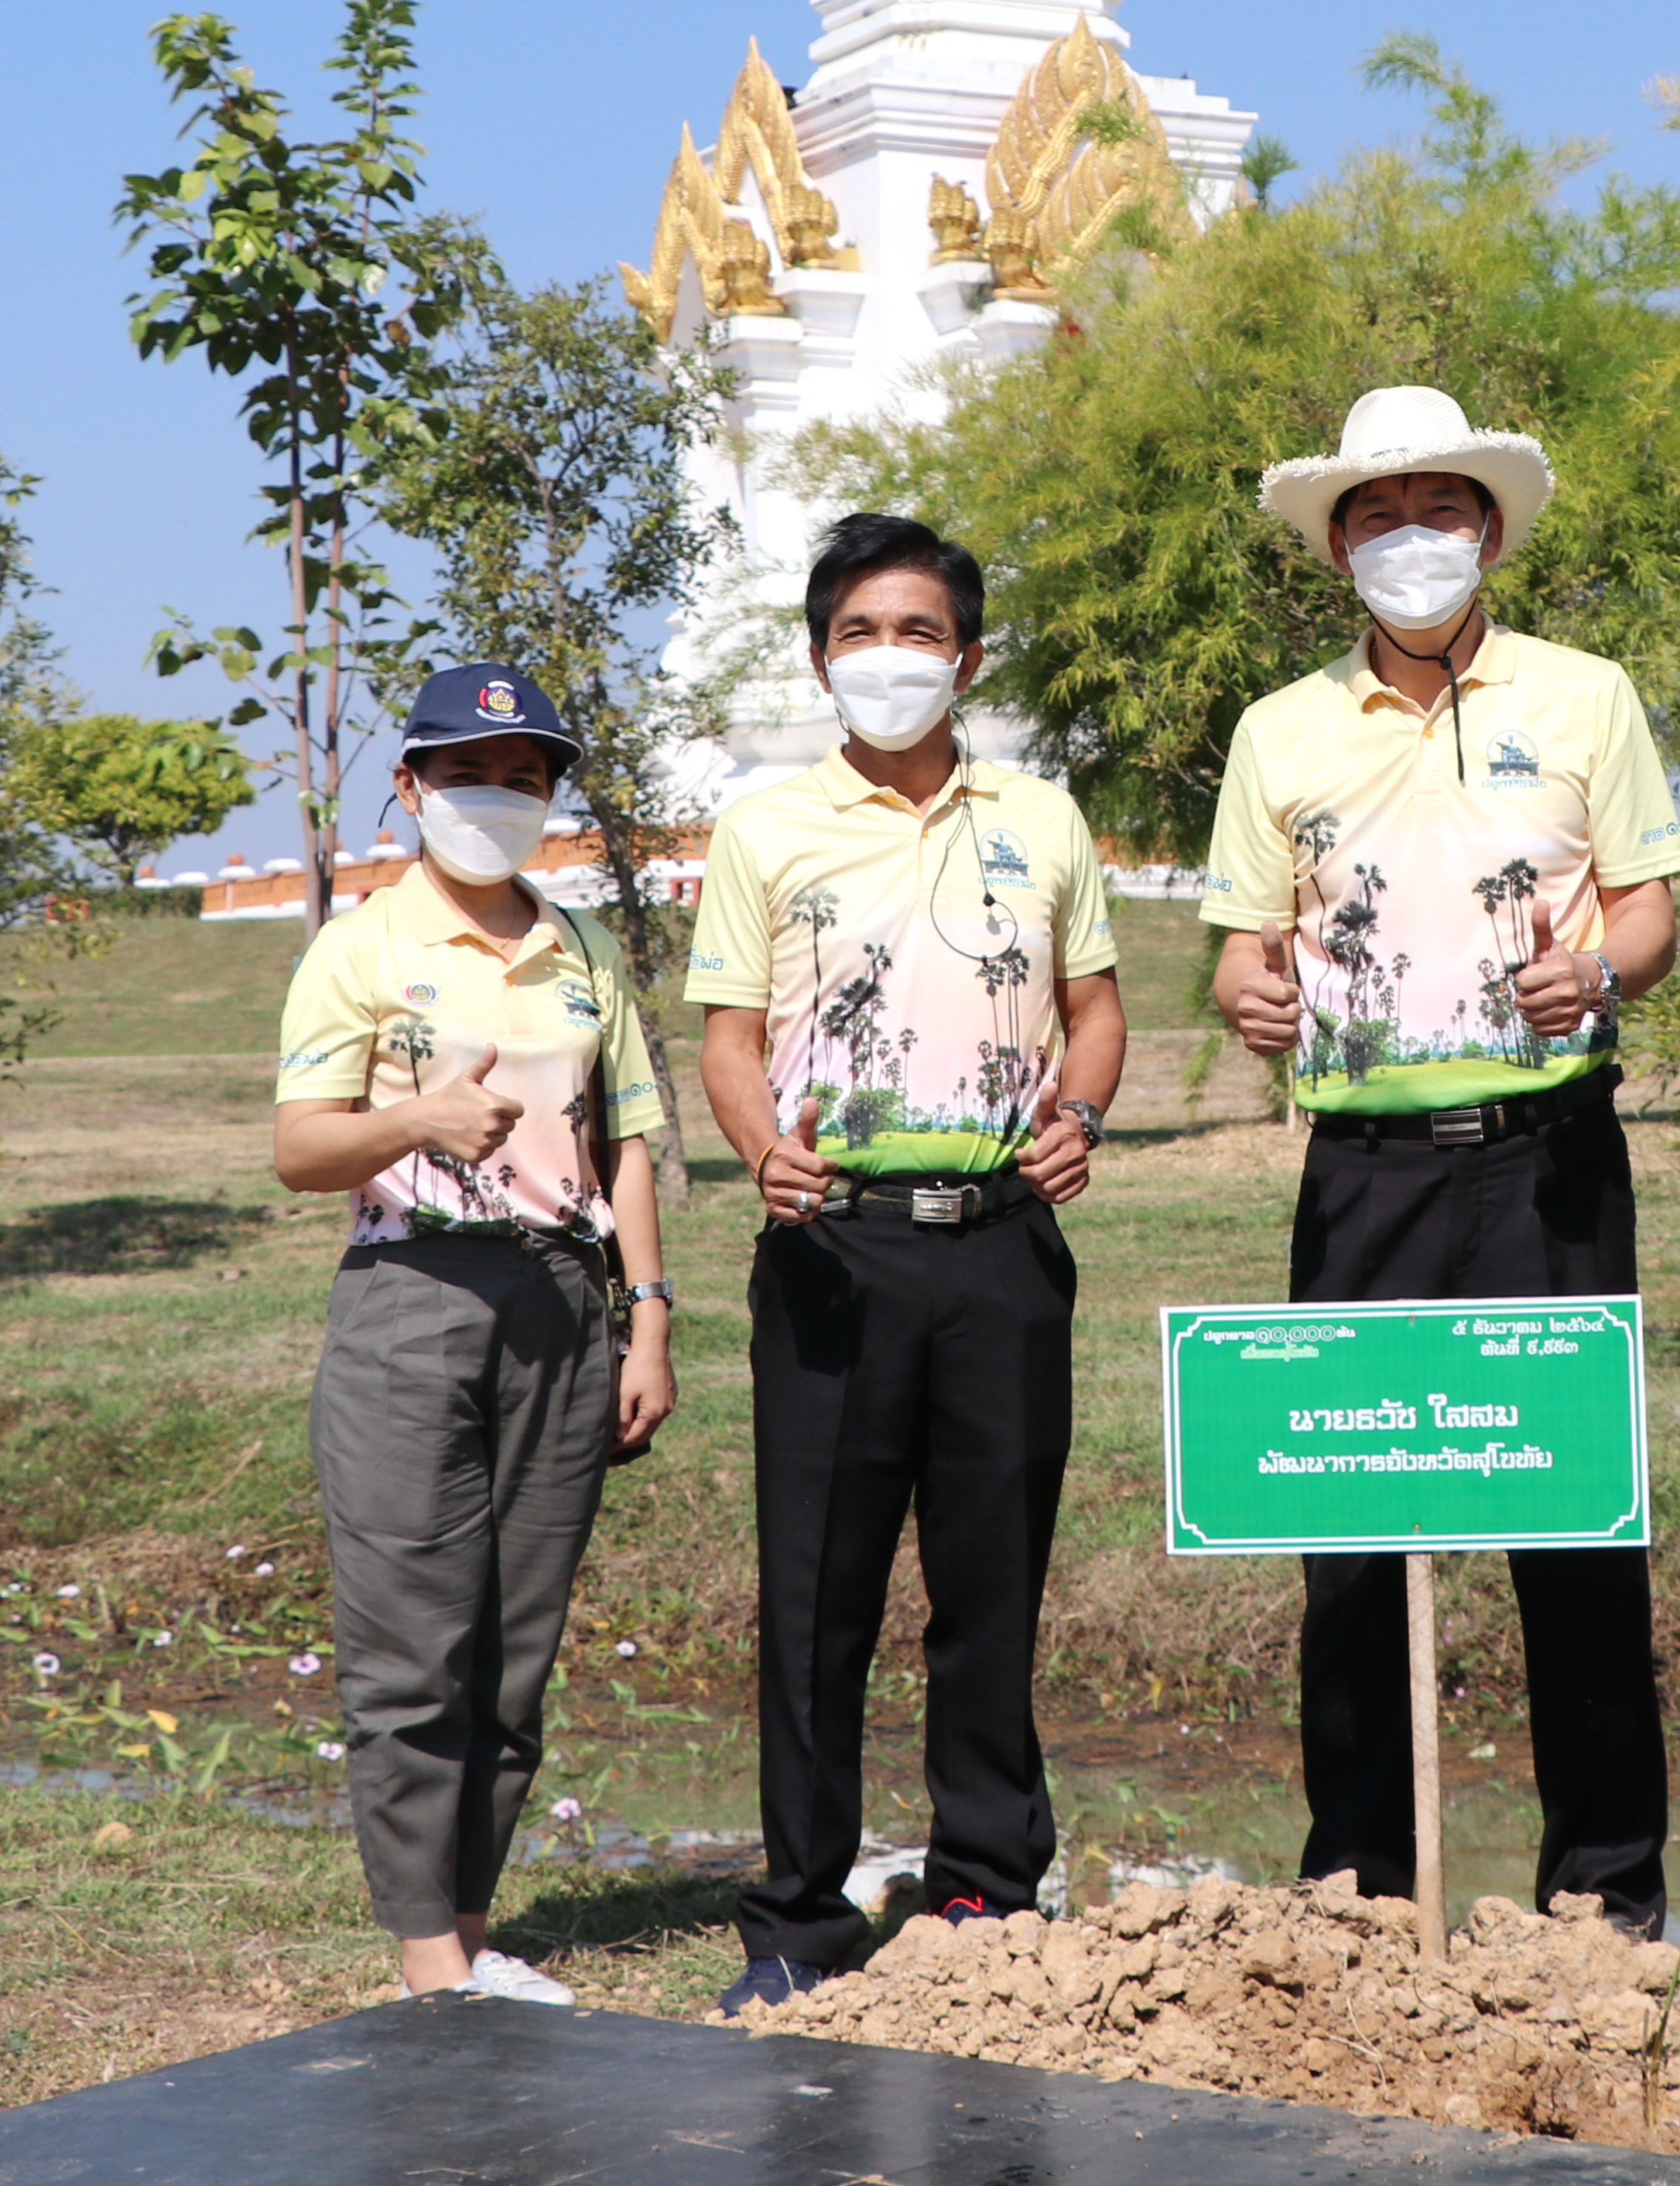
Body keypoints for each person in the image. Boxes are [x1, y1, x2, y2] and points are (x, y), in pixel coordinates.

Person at [1204, 384, 1680, 1928]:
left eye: (1439, 508)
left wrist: (1598, 970)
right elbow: (1237, 951)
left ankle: (1604, 1893)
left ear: (1489, 527)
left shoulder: (1590, 693)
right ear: (1334, 544)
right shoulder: (1279, 729)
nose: (1410, 537)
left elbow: (1650, 912)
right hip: (1364, 1166)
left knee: (1576, 1527)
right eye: (1377, 513)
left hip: (1549, 1154)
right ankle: (1357, 1881)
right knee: (1347, 1535)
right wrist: (1246, 991)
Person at [692, 512, 1125, 2015]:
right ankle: (798, 1916)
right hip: (833, 1251)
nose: (893, 656)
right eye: (863, 631)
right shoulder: (764, 826)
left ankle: (986, 1894)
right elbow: (731, 1038)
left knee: (991, 1582)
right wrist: (763, 1150)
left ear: (969, 653)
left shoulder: (1044, 818)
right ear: (822, 656)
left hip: (1002, 1244)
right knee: (818, 1596)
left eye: (920, 631)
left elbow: (1096, 1006)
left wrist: (1079, 1111)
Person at [268, 662, 676, 2006]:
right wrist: (416, 1125)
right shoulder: (362, 948)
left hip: (564, 1305)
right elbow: (299, 1151)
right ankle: (429, 1961)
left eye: (524, 774)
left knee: (515, 1644)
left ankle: (477, 1925)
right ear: (409, 786)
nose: (495, 797)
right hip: (413, 1302)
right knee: (413, 1649)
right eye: (465, 771)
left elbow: (625, 1154)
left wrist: (650, 1321)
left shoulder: (587, 950)